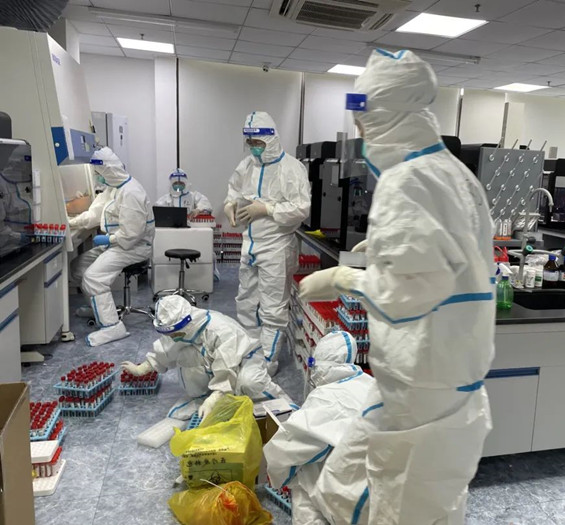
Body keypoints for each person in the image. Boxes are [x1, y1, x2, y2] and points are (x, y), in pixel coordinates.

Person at [300, 49, 496, 524]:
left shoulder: (407, 180)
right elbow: (452, 252)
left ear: (385, 116)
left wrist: (343, 278)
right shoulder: (451, 171)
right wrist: (388, 248)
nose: (361, 133)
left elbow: (406, 297)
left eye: (364, 122)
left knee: (404, 501)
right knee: (355, 478)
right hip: (440, 370)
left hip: (423, 379)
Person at [223, 112, 310, 375]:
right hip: (249, 244)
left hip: (276, 246)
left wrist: (267, 209)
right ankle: (250, 352)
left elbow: (301, 208)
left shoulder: (292, 168)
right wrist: (229, 204)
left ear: (271, 139)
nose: (254, 148)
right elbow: (234, 189)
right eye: (250, 143)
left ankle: (267, 362)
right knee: (246, 301)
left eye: (258, 143)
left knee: (273, 307)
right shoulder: (247, 165)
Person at [264, 331, 375, 525]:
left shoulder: (327, 397)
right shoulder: (371, 384)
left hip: (355, 505)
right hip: (389, 495)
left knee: (301, 470)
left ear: (320, 365)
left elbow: (288, 447)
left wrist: (276, 474)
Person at [121, 295, 286, 420]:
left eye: (173, 332)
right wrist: (143, 368)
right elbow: (166, 349)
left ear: (187, 322)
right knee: (186, 356)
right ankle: (202, 398)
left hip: (245, 358)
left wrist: (215, 398)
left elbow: (226, 366)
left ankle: (281, 402)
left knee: (249, 382)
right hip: (216, 359)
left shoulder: (219, 330)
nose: (171, 337)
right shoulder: (180, 330)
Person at [70, 147, 155, 347]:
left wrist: (108, 239)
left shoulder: (131, 192)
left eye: (98, 173)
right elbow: (95, 214)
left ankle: (112, 326)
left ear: (107, 170)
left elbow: (132, 234)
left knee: (93, 278)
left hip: (133, 247)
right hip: (117, 243)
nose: (97, 177)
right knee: (78, 267)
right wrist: (70, 223)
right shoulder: (113, 187)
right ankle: (98, 308)